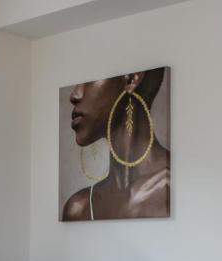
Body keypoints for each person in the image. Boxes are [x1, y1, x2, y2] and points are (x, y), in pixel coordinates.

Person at [62, 68, 170, 221]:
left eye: (89, 81)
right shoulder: (78, 208)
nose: (75, 95)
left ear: (131, 79)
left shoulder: (176, 187)